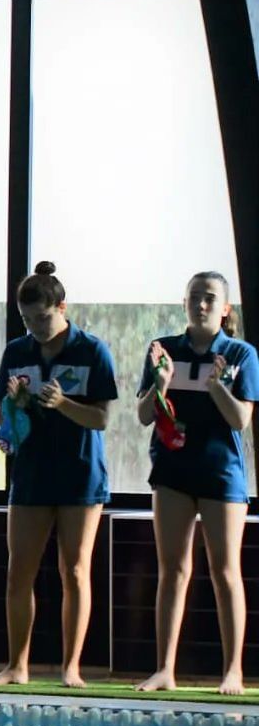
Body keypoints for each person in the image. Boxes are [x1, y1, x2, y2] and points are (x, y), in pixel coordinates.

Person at [0, 262, 115, 689]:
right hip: (32, 473)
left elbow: (99, 419)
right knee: (18, 571)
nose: (36, 327)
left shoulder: (91, 350)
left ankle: (71, 667)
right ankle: (17, 666)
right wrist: (14, 408)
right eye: (27, 320)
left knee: (75, 571)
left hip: (79, 474)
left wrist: (63, 404)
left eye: (42, 317)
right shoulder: (17, 352)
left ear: (61, 307)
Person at [135, 271, 256, 696]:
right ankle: (165, 669)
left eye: (209, 299)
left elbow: (241, 420)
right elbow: (144, 415)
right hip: (172, 473)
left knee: (226, 572)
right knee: (174, 570)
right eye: (193, 298)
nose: (200, 305)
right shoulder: (163, 350)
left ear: (225, 309)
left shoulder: (241, 353)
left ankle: (234, 671)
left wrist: (218, 388)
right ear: (184, 303)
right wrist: (161, 385)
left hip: (222, 473)